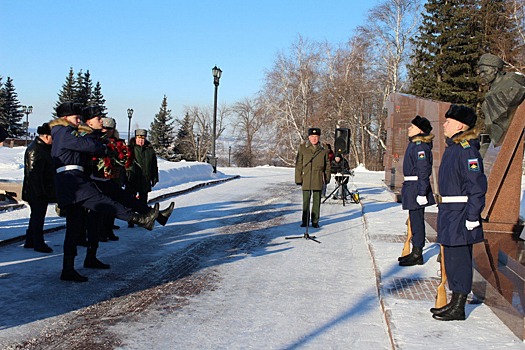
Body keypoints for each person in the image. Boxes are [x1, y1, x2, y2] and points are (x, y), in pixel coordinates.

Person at [50, 102, 159, 282]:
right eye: (76, 117)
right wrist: (102, 146)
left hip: (73, 181)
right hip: (73, 181)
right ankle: (140, 219)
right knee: (103, 202)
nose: (79, 120)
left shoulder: (66, 132)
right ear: (64, 118)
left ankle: (68, 268)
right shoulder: (64, 132)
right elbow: (89, 146)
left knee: (74, 228)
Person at [430, 104, 487, 321]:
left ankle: (459, 306)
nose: (444, 124)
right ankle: (454, 301)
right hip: (449, 211)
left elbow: (477, 187)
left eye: (448, 121)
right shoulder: (454, 148)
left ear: (460, 125)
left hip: (461, 213)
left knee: (460, 259)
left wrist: (473, 216)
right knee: (452, 258)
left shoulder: (467, 150)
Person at [398, 115, 436, 266]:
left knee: (417, 221)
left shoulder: (420, 146)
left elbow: (423, 171)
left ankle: (418, 253)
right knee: (414, 220)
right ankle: (415, 250)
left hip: (416, 188)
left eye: (412, 126)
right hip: (412, 187)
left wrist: (422, 192)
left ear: (419, 130)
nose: (409, 128)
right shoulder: (415, 144)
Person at [477, 53, 525, 150]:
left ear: (495, 70)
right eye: (480, 72)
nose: (482, 75)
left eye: (485, 71)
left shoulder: (511, 87)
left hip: (507, 140)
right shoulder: (490, 92)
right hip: (498, 143)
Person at [22, 123, 56, 253]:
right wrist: (40, 192)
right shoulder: (35, 150)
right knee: (38, 218)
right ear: (46, 137)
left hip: (40, 189)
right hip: (36, 191)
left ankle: (30, 240)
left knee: (36, 216)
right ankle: (38, 242)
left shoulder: (43, 148)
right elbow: (34, 174)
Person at [295, 127, 331, 228]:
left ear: (319, 137)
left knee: (317, 201)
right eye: (312, 136)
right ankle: (305, 221)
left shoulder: (323, 149)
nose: (314, 139)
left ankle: (315, 221)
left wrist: (327, 178)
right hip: (306, 177)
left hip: (318, 177)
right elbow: (299, 164)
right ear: (309, 137)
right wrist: (298, 178)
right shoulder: (303, 148)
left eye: (316, 136)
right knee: (306, 201)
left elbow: (327, 165)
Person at [126, 129, 159, 227]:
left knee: (143, 200)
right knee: (131, 199)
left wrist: (154, 177)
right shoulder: (131, 149)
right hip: (133, 179)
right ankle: (131, 220)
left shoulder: (149, 150)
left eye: (143, 138)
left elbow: (153, 165)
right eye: (139, 138)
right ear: (135, 138)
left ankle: (143, 218)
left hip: (145, 178)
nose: (141, 141)